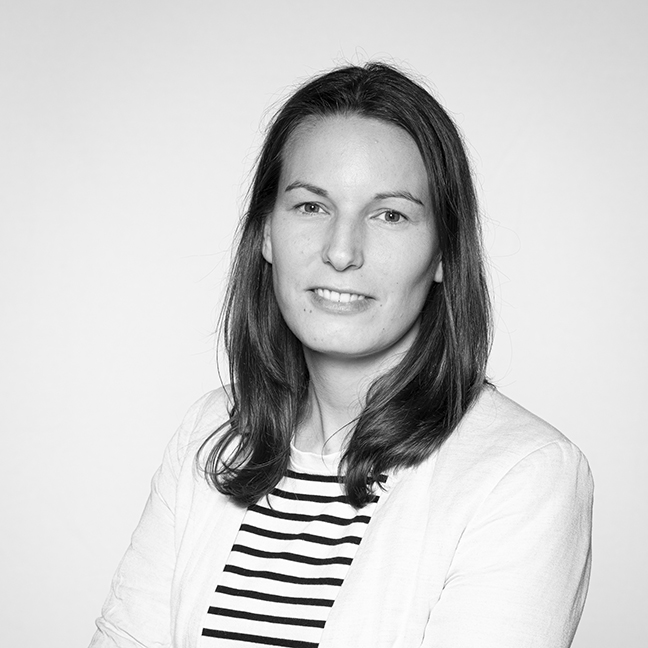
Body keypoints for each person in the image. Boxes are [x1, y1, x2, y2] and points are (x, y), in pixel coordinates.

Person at [90, 62, 593, 648]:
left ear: (443, 255)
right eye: (311, 206)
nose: (341, 251)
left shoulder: (524, 473)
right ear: (265, 233)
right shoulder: (211, 433)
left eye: (390, 215)